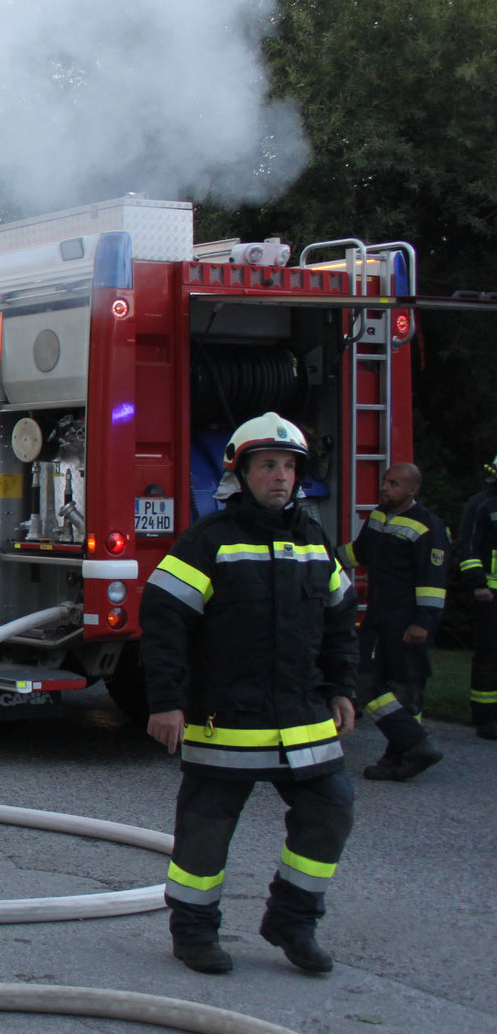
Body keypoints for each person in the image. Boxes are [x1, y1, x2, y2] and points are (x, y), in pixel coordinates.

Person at [141, 413, 358, 976]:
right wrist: (167, 701)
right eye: (267, 466)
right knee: (206, 827)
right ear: (240, 474)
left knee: (331, 808)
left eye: (288, 466)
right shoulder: (208, 540)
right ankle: (193, 931)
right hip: (226, 716)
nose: (280, 476)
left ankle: (293, 921)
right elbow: (164, 620)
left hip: (302, 715)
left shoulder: (314, 540)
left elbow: (340, 619)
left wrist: (342, 688)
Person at [342, 463, 450, 780]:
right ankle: (414, 746)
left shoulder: (428, 527)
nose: (385, 488)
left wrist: (423, 623)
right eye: (385, 481)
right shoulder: (379, 516)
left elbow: (433, 582)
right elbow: (359, 553)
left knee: (406, 688)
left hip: (408, 622)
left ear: (413, 490)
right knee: (362, 678)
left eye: (394, 484)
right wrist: (319, 557)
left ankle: (400, 757)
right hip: (378, 617)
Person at [458, 454, 497, 739]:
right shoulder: (481, 504)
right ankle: (486, 718)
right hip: (490, 594)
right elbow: (468, 547)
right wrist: (478, 583)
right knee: (489, 654)